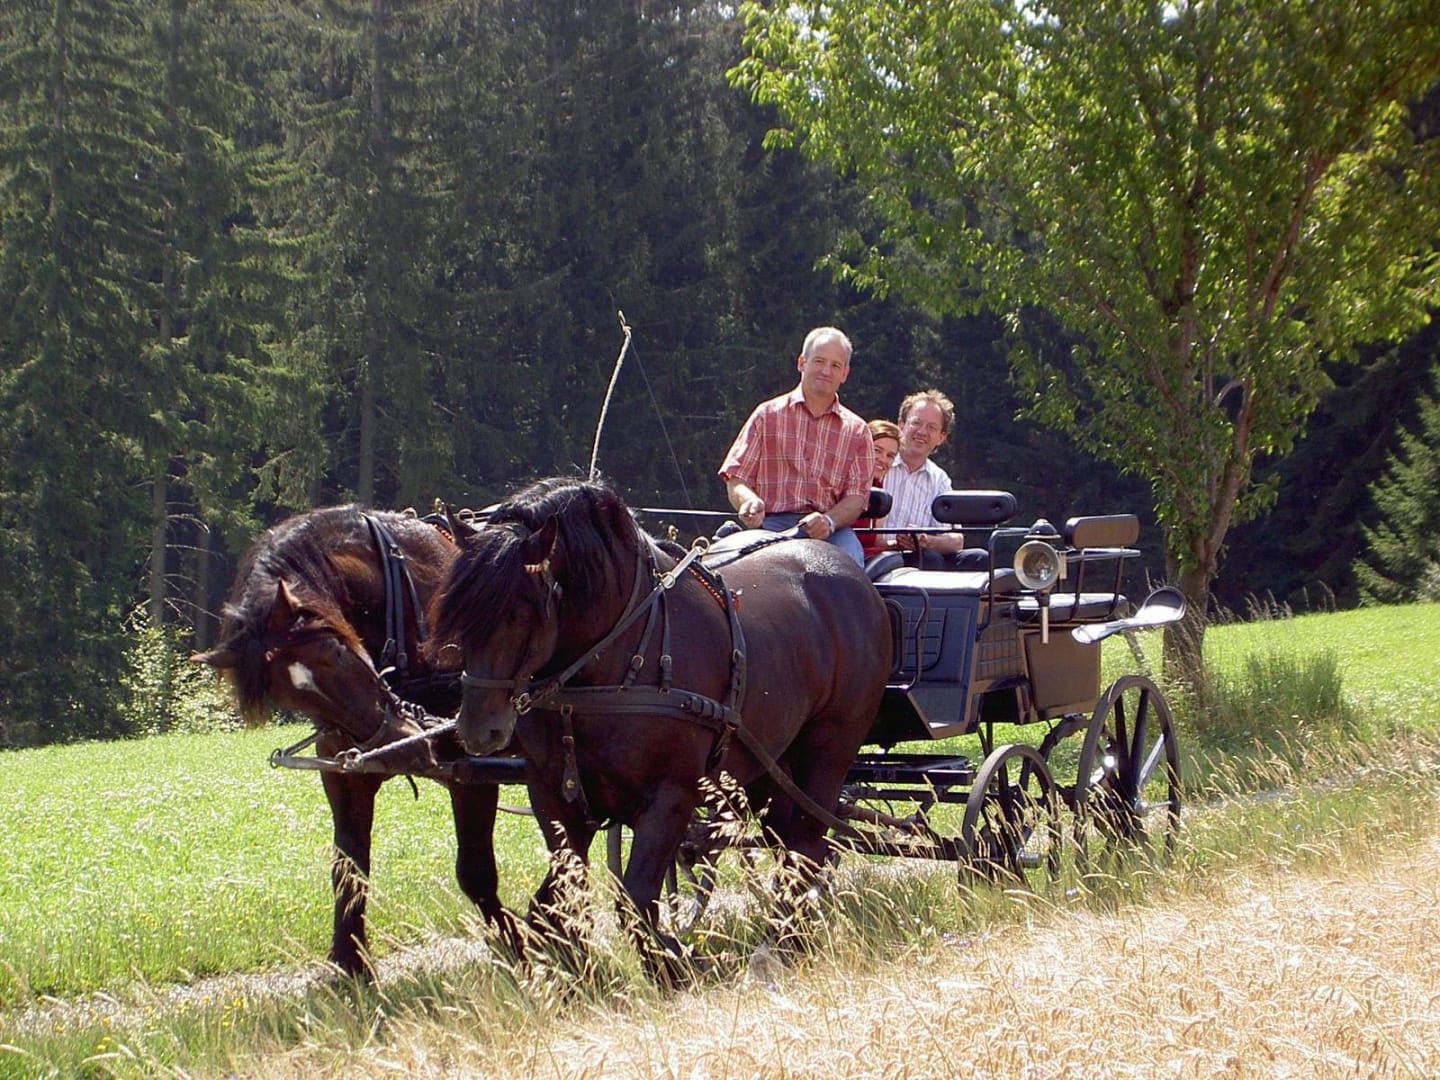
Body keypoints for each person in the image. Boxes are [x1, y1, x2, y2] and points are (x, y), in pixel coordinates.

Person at [718, 326, 873, 565]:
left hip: (831, 532)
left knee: (852, 571)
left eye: (835, 365)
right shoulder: (767, 415)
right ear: (802, 362)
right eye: (819, 361)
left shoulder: (858, 431)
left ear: (845, 374)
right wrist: (748, 501)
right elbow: (736, 477)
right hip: (770, 525)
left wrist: (829, 521)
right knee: (726, 569)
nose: (826, 371)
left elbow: (857, 498)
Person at [882, 388, 970, 567]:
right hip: (882, 556)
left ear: (941, 437)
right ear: (901, 425)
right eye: (916, 423)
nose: (922, 432)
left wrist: (925, 540)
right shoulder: (880, 463)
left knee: (978, 558)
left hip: (923, 555)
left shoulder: (939, 479)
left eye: (931, 427)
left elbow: (956, 540)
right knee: (931, 560)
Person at [858, 419, 901, 558]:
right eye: (877, 450)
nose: (883, 459)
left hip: (869, 557)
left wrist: (900, 543)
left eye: (890, 456)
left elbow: (877, 541)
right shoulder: (843, 482)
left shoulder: (878, 489)